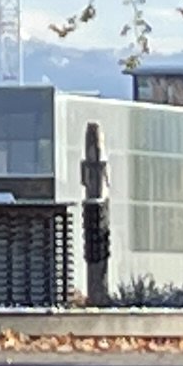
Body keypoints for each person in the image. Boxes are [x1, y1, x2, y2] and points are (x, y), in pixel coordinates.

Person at [79, 123, 114, 306]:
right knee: (95, 247)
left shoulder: (101, 165)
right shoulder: (88, 166)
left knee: (99, 247)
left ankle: (99, 294)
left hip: (99, 207)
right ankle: (96, 294)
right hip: (94, 208)